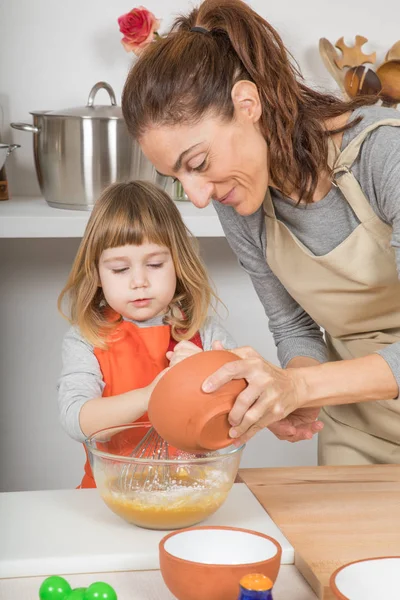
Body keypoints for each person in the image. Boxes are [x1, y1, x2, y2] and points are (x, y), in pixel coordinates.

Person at [121, 0, 400, 465]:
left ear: (247, 104)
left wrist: (300, 385)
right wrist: (284, 396)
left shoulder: (385, 156)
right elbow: (294, 326)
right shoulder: (243, 199)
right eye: (177, 177)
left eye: (198, 164)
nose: (198, 196)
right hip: (358, 429)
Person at [57, 181, 236, 487]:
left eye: (154, 264)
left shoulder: (203, 334)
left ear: (178, 263)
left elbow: (242, 407)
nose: (139, 281)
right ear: (97, 273)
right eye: (119, 269)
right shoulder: (86, 339)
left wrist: (206, 373)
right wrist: (151, 395)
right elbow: (77, 420)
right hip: (110, 494)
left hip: (192, 490)